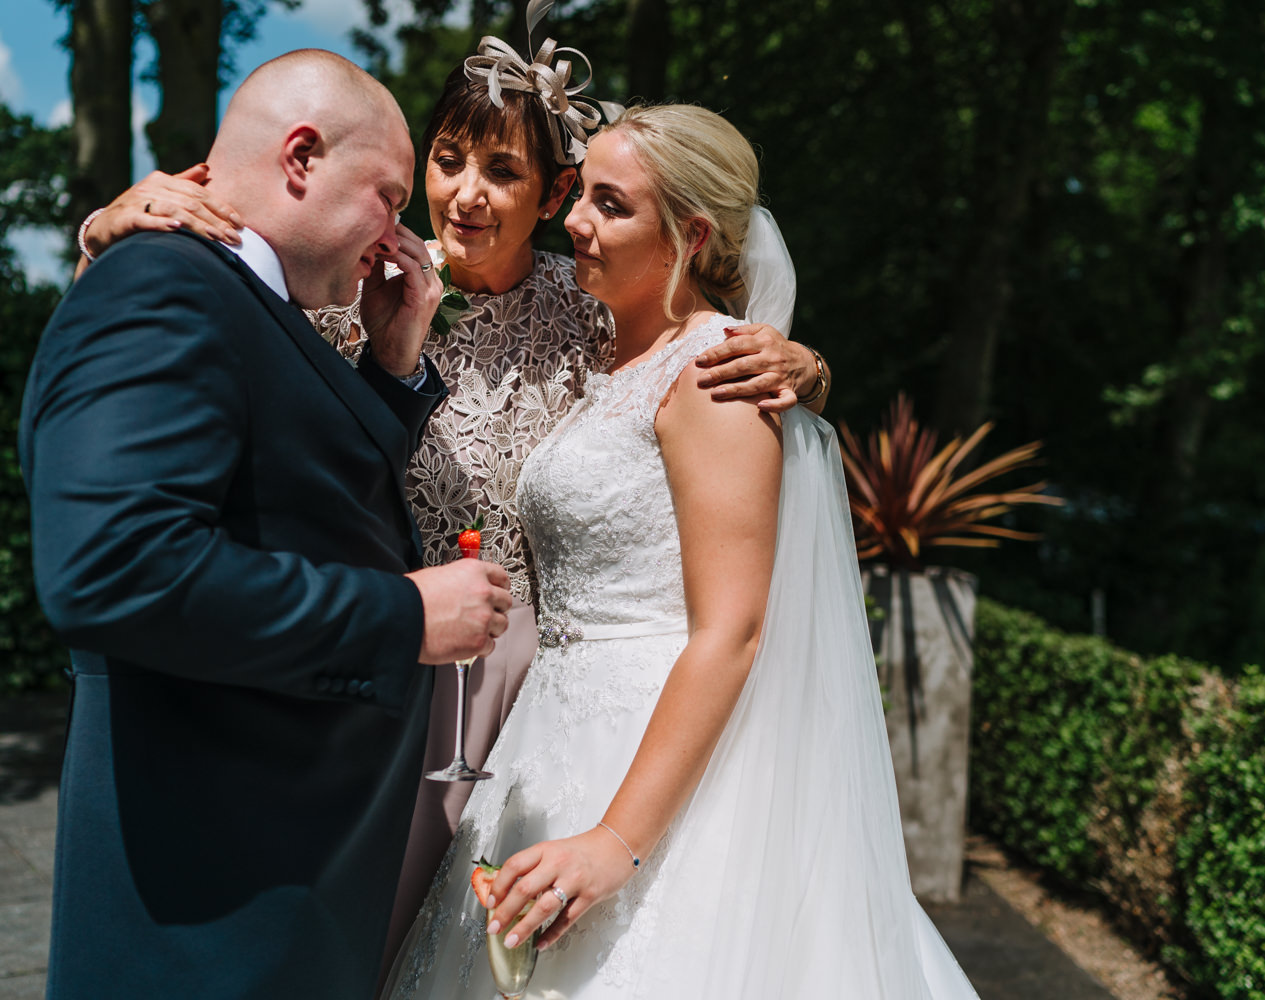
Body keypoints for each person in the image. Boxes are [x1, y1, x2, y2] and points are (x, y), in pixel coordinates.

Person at [77, 30, 832, 968]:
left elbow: (689, 361)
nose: (467, 192)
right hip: (375, 649)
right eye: (446, 160)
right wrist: (106, 227)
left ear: (551, 197)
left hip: (527, 682)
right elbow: (197, 342)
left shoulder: (594, 302)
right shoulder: (352, 276)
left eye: (503, 171)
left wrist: (803, 367)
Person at [381, 104, 979, 999]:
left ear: (692, 236)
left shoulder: (714, 374)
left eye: (609, 206)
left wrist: (615, 842)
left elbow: (732, 630)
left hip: (646, 744)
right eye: (581, 196)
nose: (575, 219)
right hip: (548, 729)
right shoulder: (616, 353)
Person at [20, 51, 513, 1000]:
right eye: (388, 195)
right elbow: (116, 567)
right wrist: (402, 620)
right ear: (301, 156)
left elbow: (293, 494)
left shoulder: (242, 300)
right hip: (207, 907)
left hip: (273, 889)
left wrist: (391, 368)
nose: (397, 233)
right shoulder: (163, 284)